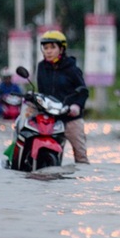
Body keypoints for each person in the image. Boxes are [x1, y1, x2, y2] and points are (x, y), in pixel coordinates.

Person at [36, 30, 90, 164]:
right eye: (45, 48)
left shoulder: (72, 69)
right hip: (50, 118)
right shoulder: (41, 67)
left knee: (81, 157)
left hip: (71, 118)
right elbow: (41, 91)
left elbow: (83, 91)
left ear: (61, 49)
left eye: (52, 47)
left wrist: (76, 106)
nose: (48, 51)